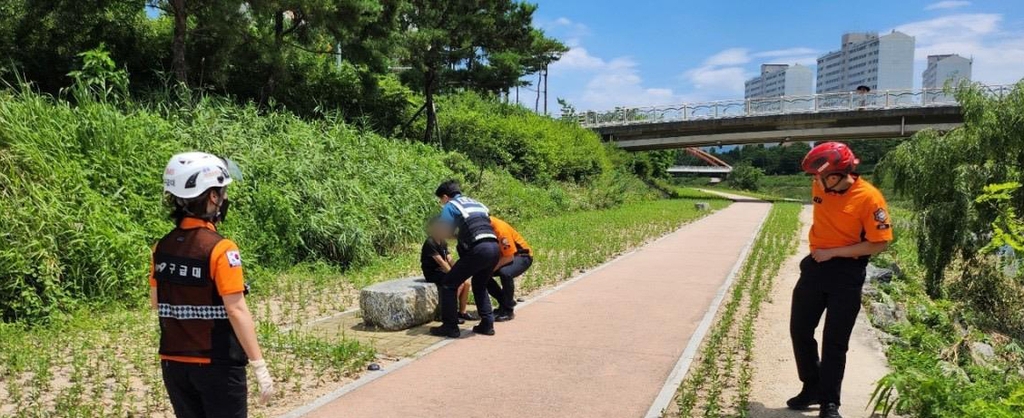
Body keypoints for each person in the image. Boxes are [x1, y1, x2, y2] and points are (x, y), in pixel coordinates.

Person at [152, 152, 274, 418]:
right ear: (212, 197)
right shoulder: (221, 250)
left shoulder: (161, 248)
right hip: (217, 365)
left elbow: (156, 302)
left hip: (174, 364)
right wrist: (259, 365)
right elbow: (236, 310)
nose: (225, 198)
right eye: (222, 192)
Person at [787, 142, 893, 418]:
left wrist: (833, 253)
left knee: (834, 341)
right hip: (815, 267)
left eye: (819, 177)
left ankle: (829, 402)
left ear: (837, 175)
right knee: (800, 330)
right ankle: (811, 387)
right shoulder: (821, 185)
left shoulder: (870, 198)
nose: (815, 183)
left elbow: (878, 243)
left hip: (847, 273)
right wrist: (822, 255)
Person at [429, 180, 500, 338]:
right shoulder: (477, 203)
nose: (441, 203)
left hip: (479, 249)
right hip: (494, 247)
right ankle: (487, 324)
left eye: (441, 200)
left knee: (449, 284)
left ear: (446, 197)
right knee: (480, 284)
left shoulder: (451, 205)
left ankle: (450, 327)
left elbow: (443, 231)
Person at [420, 216, 475, 323]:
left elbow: (449, 259)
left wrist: (459, 271)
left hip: (442, 271)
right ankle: (449, 314)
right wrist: (453, 275)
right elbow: (441, 261)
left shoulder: (443, 242)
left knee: (467, 282)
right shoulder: (430, 243)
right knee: (458, 284)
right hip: (433, 273)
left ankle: (462, 312)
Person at [487, 216, 533, 322]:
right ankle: (505, 302)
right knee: (482, 274)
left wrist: (492, 269)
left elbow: (509, 257)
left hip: (522, 256)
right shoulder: (483, 227)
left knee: (505, 273)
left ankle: (508, 310)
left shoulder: (500, 229)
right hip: (504, 256)